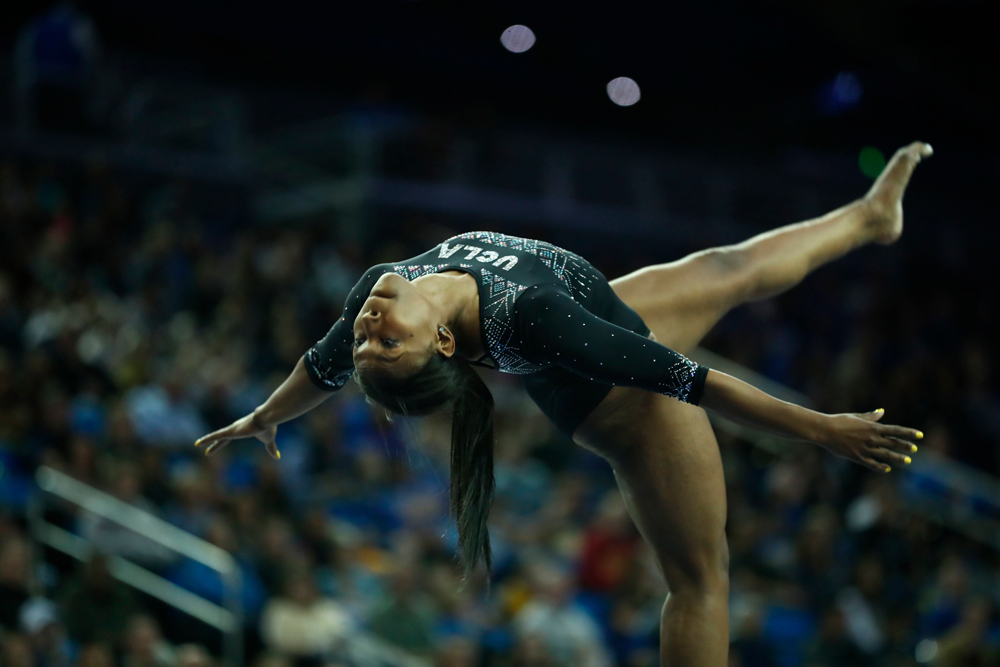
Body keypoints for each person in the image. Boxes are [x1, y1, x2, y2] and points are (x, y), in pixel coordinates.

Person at [197, 143, 932, 666]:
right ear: (443, 345)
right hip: (629, 406)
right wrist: (819, 428)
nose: (367, 333)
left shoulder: (376, 292)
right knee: (701, 581)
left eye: (367, 343)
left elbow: (318, 368)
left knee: (728, 267)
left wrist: (264, 416)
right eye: (386, 346)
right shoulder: (529, 318)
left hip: (611, 316)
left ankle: (871, 217)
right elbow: (689, 380)